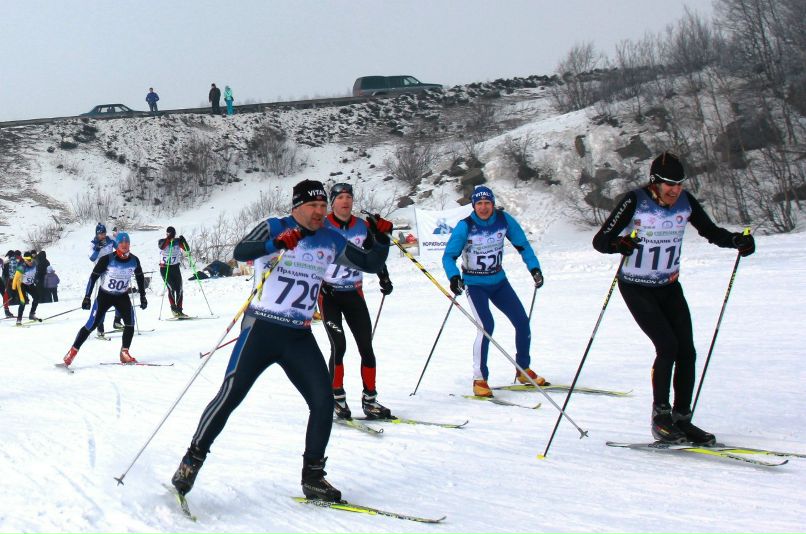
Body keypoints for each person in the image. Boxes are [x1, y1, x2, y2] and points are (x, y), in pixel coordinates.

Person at [170, 179, 392, 503]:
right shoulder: (275, 226)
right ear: (297, 207)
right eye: (313, 206)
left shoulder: (330, 239)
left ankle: (313, 477)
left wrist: (381, 237)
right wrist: (274, 243)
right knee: (231, 394)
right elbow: (240, 252)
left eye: (322, 206)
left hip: (298, 334)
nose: (320, 212)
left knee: (323, 400)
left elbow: (371, 264)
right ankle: (192, 459)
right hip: (262, 328)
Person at [592, 151, 756, 445]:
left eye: (679, 184)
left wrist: (735, 241)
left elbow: (711, 232)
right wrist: (620, 243)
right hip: (636, 286)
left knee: (687, 351)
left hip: (669, 285)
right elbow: (600, 241)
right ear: (655, 182)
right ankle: (661, 418)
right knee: (666, 346)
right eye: (670, 184)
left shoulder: (685, 202)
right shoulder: (634, 201)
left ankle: (682, 419)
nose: (675, 190)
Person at [442, 185, 546, 398]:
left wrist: (534, 268)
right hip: (475, 284)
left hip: (499, 282)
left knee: (522, 322)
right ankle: (480, 378)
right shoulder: (466, 226)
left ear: (493, 204)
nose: (483, 207)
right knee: (486, 326)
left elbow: (523, 245)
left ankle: (523, 370)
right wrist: (453, 277)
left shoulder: (504, 220)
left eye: (487, 203)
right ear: (474, 205)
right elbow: (448, 256)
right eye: (479, 203)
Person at [319, 182, 395, 420]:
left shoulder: (362, 227)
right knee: (338, 346)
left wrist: (384, 277)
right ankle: (337, 399)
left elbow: (374, 256)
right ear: (332, 202)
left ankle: (370, 400)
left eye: (348, 197)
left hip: (354, 293)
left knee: (366, 347)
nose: (345, 201)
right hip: (329, 295)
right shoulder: (321, 226)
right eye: (340, 197)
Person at [62, 232, 147, 367]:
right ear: (117, 245)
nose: (124, 245)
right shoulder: (107, 259)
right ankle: (72, 352)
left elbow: (140, 278)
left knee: (130, 323)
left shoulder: (134, 260)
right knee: (92, 324)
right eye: (121, 242)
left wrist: (143, 296)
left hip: (122, 296)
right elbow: (93, 277)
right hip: (105, 295)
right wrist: (87, 297)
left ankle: (124, 352)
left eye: (127, 242)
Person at [89, 223, 121, 333]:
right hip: (100, 271)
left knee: (119, 293)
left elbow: (119, 249)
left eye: (104, 233)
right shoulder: (93, 243)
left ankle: (117, 321)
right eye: (100, 234)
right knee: (104, 298)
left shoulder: (109, 239)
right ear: (97, 234)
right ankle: (99, 325)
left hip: (111, 270)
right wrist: (97, 248)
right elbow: (92, 258)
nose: (103, 236)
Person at [158, 227, 190, 317]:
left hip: (175, 268)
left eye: (172, 234)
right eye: (169, 234)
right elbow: (162, 246)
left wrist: (184, 241)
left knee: (179, 289)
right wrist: (169, 239)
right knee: (171, 288)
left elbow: (187, 249)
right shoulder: (161, 241)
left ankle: (179, 310)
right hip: (165, 268)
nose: (170, 235)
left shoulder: (177, 241)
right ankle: (173, 309)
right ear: (167, 234)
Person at [12, 252, 39, 324]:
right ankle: (19, 319)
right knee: (23, 302)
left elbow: (35, 273)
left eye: (30, 260)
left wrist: (36, 279)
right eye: (27, 260)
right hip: (21, 285)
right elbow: (15, 279)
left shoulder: (35, 264)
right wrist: (14, 290)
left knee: (37, 297)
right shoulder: (21, 267)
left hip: (30, 284)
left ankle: (32, 314)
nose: (29, 262)